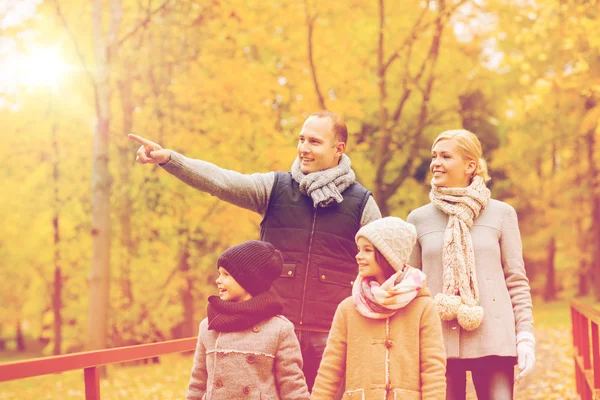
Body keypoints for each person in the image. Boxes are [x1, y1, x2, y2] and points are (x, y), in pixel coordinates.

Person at [130, 111, 381, 391]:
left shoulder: (361, 203)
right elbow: (222, 182)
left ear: (338, 149)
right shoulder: (274, 188)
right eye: (301, 139)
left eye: (314, 141)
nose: (303, 148)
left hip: (332, 334)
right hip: (272, 331)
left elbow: (383, 266)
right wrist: (169, 159)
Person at [406, 129, 535, 400]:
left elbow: (516, 280)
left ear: (470, 166)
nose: (436, 163)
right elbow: (411, 288)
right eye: (434, 156)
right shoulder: (418, 219)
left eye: (445, 156)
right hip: (437, 342)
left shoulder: (502, 214)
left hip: (494, 339)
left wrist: (525, 335)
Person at [311, 217, 446, 399]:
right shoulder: (348, 309)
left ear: (388, 256)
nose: (358, 256)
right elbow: (329, 371)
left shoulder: (423, 306)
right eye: (359, 249)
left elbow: (433, 370)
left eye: (367, 250)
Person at [186, 240, 310, 400]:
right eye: (219, 274)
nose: (218, 280)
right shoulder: (209, 325)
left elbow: (293, 387)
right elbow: (197, 382)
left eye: (226, 274)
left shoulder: (279, 329)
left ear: (249, 280)